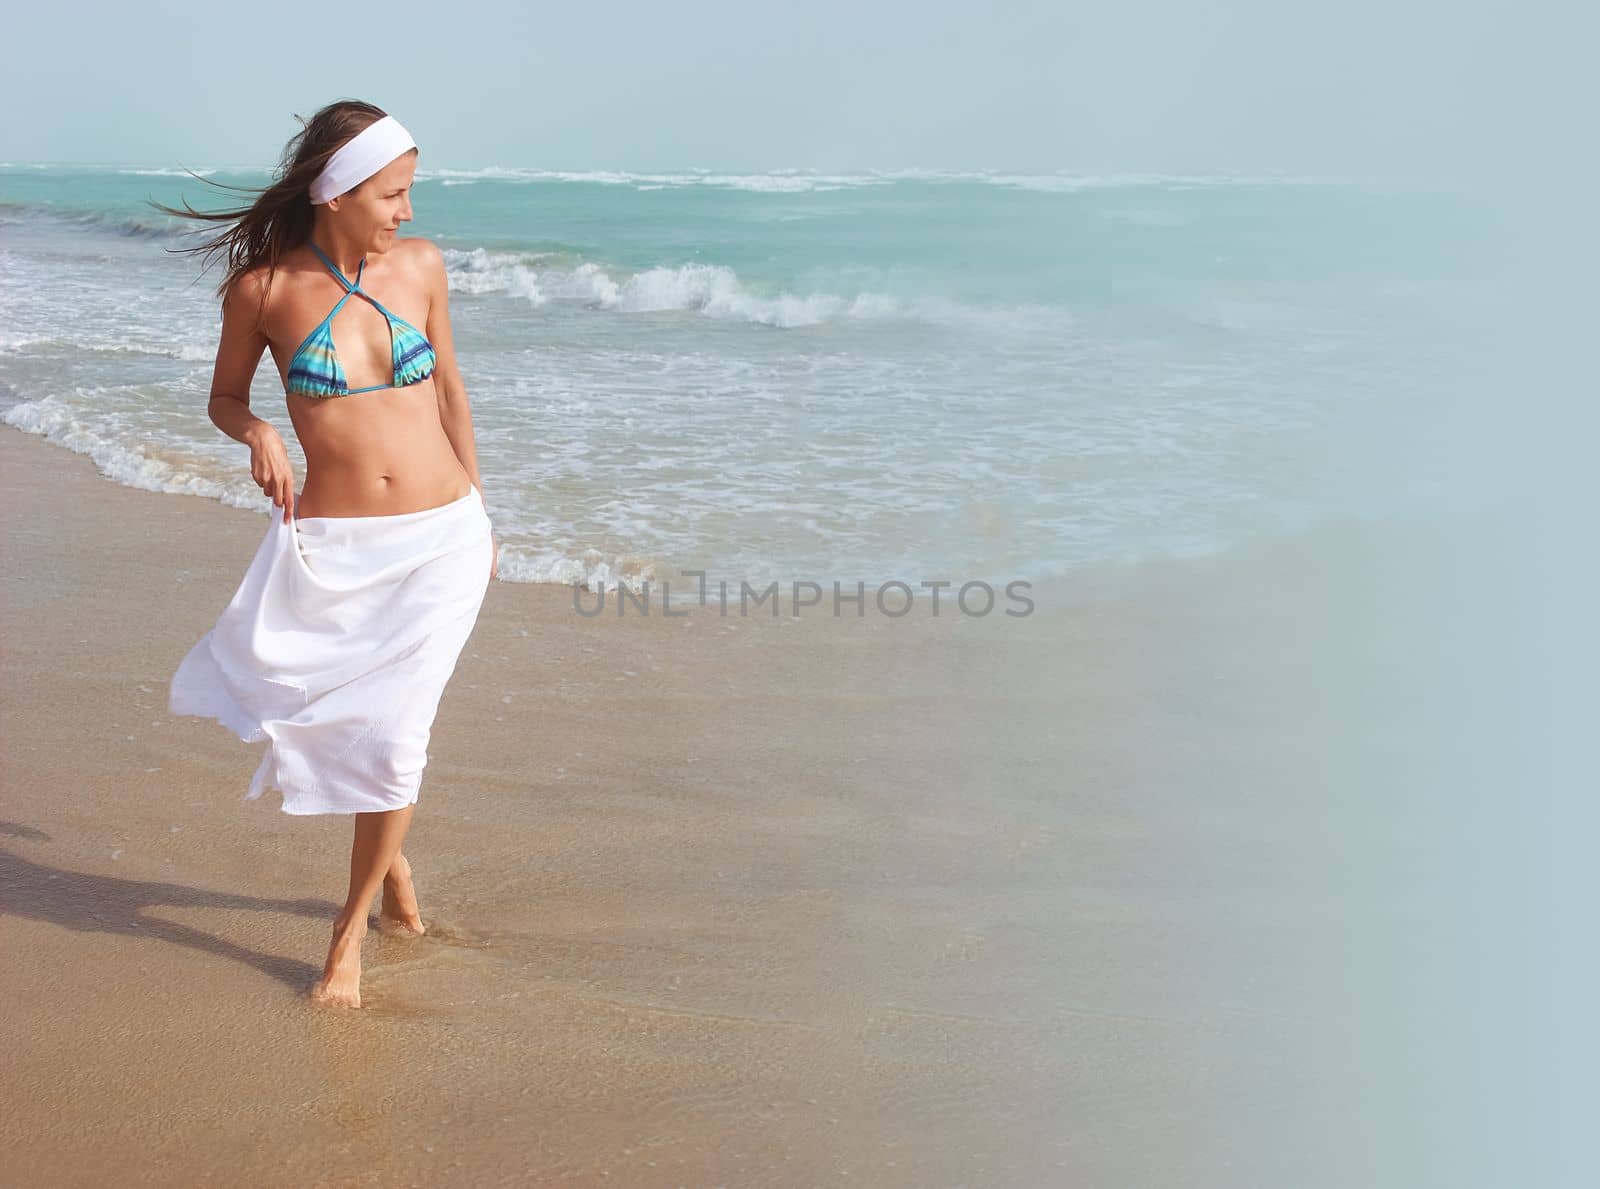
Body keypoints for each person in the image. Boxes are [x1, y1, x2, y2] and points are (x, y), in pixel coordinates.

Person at [154, 100, 495, 1009]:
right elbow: (223, 397)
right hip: (340, 548)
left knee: (395, 734)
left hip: (442, 541)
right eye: (393, 193)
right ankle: (392, 865)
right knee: (354, 724)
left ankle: (346, 938)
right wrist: (257, 428)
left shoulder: (420, 269)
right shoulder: (264, 292)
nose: (407, 212)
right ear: (338, 190)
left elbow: (452, 391)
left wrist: (484, 513)